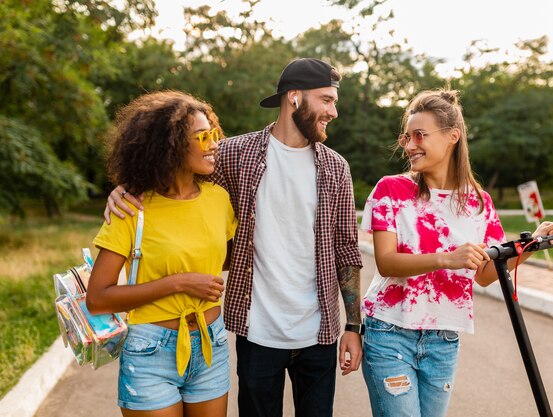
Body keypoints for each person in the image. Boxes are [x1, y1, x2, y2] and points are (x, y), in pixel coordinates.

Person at [104, 58, 364, 417]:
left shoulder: (336, 167)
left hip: (318, 333)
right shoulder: (233, 154)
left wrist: (353, 325)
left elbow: (346, 248)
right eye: (326, 99)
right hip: (257, 331)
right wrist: (124, 188)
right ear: (294, 98)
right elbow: (171, 172)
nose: (333, 111)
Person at [360, 89, 553, 417]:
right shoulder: (391, 190)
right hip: (389, 332)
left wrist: (528, 246)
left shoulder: (478, 202)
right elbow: (386, 263)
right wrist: (446, 257)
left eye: (419, 135)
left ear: (453, 136)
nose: (410, 145)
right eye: (406, 137)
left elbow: (484, 275)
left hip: (443, 337)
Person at [87, 91, 237, 417]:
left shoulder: (218, 199)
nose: (214, 144)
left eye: (214, 134)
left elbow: (223, 258)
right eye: (202, 137)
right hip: (150, 350)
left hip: (212, 346)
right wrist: (179, 282)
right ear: (169, 146)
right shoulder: (132, 207)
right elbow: (98, 298)